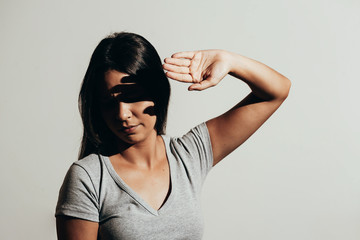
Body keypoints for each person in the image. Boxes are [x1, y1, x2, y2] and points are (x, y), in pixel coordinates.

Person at [55, 32, 291, 240]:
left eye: (131, 95)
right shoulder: (89, 177)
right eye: (108, 102)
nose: (122, 113)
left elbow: (276, 91)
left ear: (156, 91)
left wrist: (229, 60)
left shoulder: (189, 155)